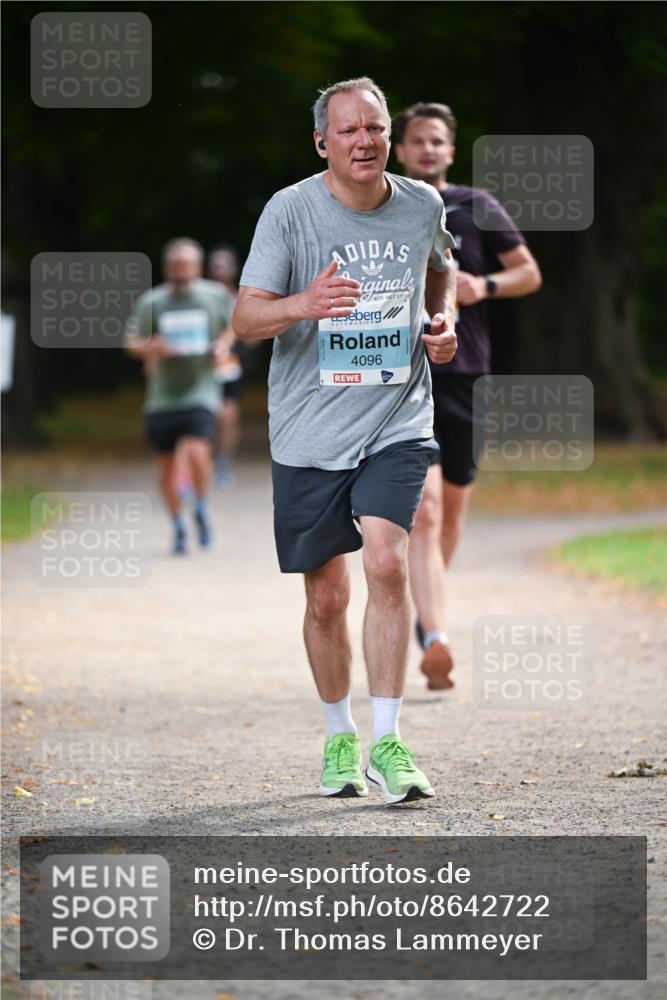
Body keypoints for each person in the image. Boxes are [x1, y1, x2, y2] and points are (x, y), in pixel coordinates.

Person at [233, 77, 457, 805]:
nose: (364, 141)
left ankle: (389, 741)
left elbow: (440, 269)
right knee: (327, 596)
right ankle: (339, 736)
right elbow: (245, 320)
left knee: (388, 559)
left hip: (396, 416)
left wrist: (440, 320)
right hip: (308, 428)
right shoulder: (290, 211)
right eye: (348, 130)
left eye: (375, 128)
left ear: (389, 134)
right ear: (322, 142)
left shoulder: (422, 203)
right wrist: (304, 303)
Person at [393, 102, 542, 689]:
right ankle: (436, 635)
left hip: (468, 374)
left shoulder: (477, 206)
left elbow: (528, 272)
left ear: (450, 151)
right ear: (400, 150)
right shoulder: (389, 208)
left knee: (450, 514)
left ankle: (426, 605)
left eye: (437, 141)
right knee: (424, 513)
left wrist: (486, 285)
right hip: (408, 375)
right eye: (416, 141)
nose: (427, 149)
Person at [124, 237, 234, 554]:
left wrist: (222, 346)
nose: (180, 274)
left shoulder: (214, 296)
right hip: (162, 396)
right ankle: (177, 524)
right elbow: (131, 341)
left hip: (201, 391)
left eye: (186, 267)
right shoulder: (153, 302)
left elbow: (234, 327)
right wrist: (150, 347)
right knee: (167, 468)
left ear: (197, 268)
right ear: (166, 269)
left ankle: (200, 504)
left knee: (199, 452)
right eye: (175, 268)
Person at [208, 245, 244, 486]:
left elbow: (251, 337)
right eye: (216, 264)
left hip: (227, 364)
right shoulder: (200, 294)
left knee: (228, 415)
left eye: (225, 264)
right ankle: (202, 462)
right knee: (204, 415)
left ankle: (223, 463)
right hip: (198, 366)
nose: (221, 269)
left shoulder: (241, 296)